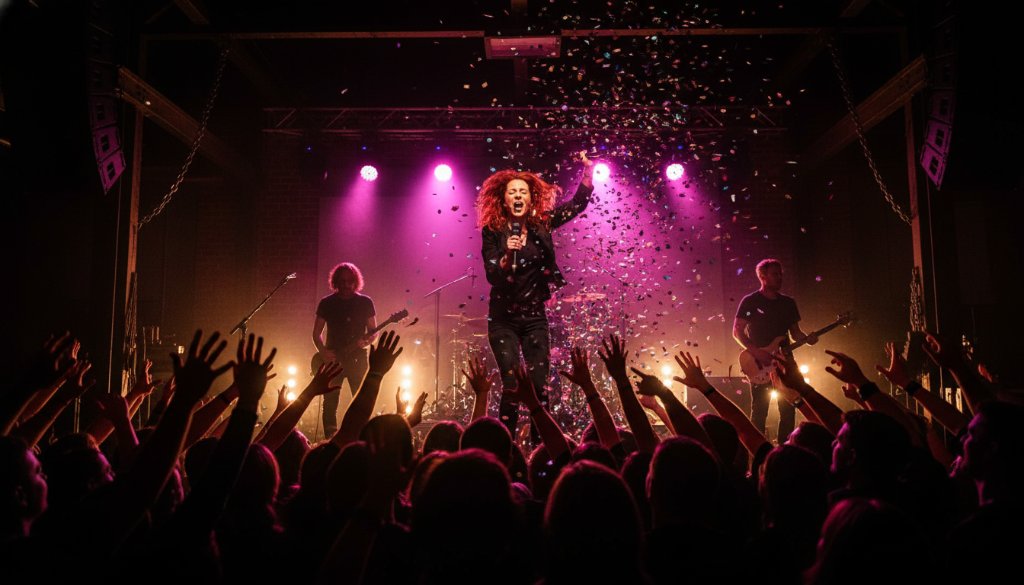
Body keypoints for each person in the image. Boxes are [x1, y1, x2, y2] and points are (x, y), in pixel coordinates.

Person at [476, 153, 594, 440]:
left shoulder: (542, 224)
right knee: (513, 386)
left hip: (534, 318)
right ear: (504, 200)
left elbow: (576, 206)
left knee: (540, 389)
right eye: (512, 192)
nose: (517, 196)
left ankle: (543, 451)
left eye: (523, 192)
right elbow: (492, 274)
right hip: (503, 318)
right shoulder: (493, 231)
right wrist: (505, 258)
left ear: (531, 198)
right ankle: (506, 453)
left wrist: (588, 174)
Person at [732, 258, 816, 442]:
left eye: (781, 274)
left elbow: (795, 333)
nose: (779, 278)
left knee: (788, 410)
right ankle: (758, 457)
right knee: (760, 411)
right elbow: (737, 331)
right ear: (762, 277)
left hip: (785, 361)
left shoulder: (788, 303)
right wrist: (757, 353)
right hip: (759, 363)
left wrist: (807, 339)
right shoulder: (750, 301)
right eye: (774, 274)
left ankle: (785, 452)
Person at [312, 262, 376, 438]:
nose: (346, 285)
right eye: (342, 281)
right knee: (330, 402)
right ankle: (329, 441)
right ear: (336, 282)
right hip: (334, 361)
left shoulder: (365, 302)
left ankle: (361, 439)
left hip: (358, 359)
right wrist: (323, 351)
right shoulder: (327, 303)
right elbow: (316, 334)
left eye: (349, 281)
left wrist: (367, 341)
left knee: (362, 401)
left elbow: (373, 332)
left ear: (355, 281)